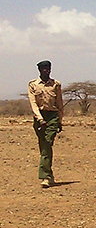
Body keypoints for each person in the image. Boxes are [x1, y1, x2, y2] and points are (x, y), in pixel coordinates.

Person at [28, 60, 64, 188]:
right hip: (40, 116)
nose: (46, 71)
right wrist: (40, 119)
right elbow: (33, 104)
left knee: (48, 143)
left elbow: (59, 103)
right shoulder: (33, 85)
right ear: (39, 70)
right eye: (44, 69)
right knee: (43, 145)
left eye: (48, 68)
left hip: (52, 116)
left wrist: (59, 121)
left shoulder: (56, 85)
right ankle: (49, 173)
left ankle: (45, 177)